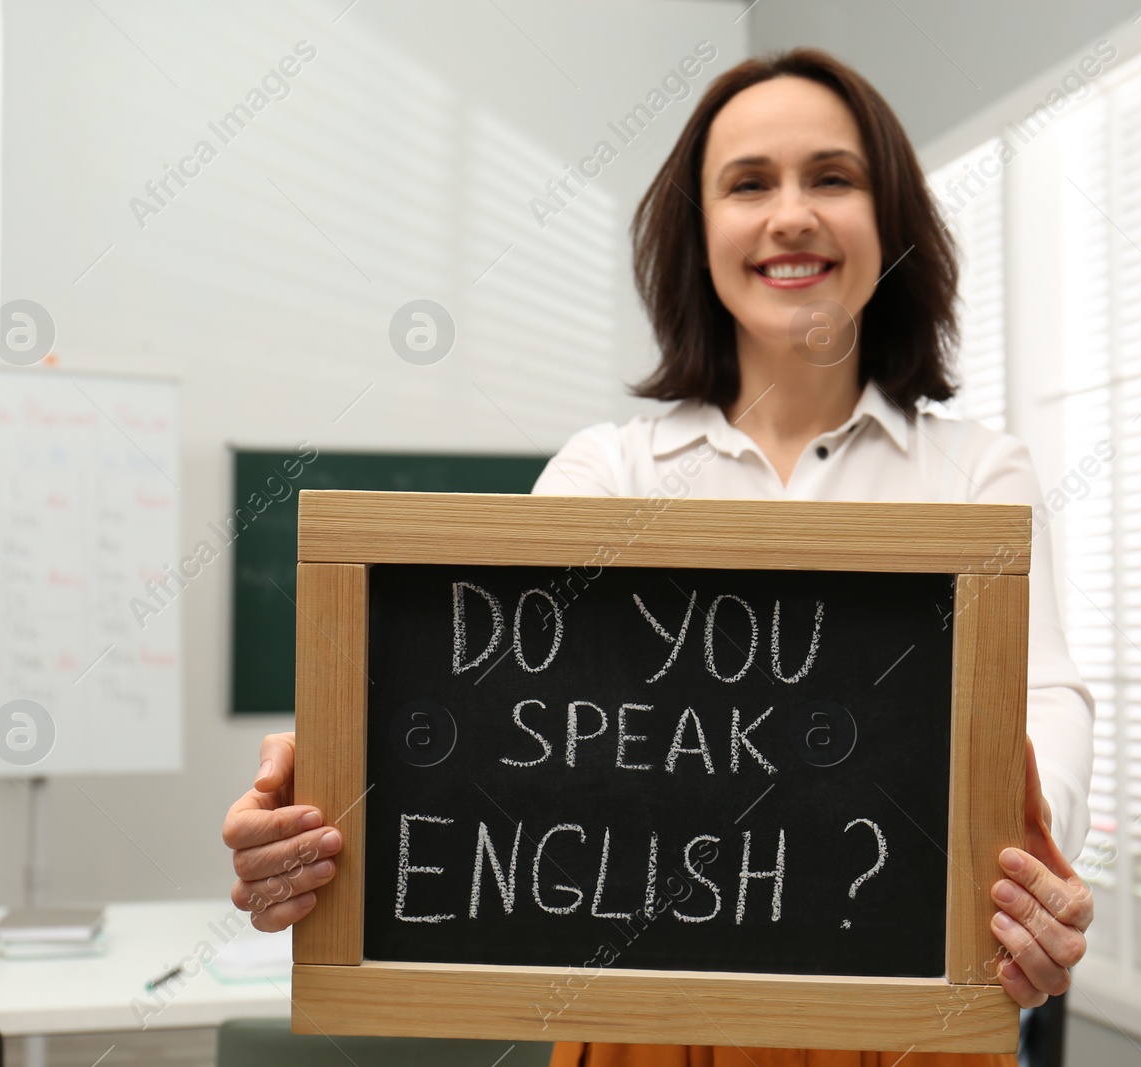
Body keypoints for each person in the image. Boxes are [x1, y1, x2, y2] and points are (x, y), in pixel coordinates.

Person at [223, 46, 1095, 1067]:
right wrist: (322, 794)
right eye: (748, 183)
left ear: (890, 221)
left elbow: (1044, 704)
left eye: (832, 177)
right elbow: (485, 713)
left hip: (907, 1033)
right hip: (638, 1032)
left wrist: (1032, 871)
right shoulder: (608, 468)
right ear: (699, 233)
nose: (790, 215)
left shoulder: (977, 470)